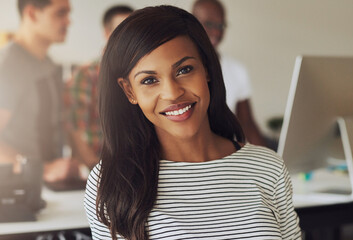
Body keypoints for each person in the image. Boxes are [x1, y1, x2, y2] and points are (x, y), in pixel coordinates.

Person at [84, 5, 301, 240]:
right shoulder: (113, 182)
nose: (172, 93)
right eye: (149, 80)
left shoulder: (268, 168)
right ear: (129, 91)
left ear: (206, 68)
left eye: (184, 70)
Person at [0, 0, 77, 183]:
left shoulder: (49, 64)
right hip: (17, 188)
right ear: (32, 14)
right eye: (60, 13)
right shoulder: (8, 66)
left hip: (48, 187)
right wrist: (44, 169)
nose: (69, 21)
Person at [65, 5, 133, 170]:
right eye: (120, 30)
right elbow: (76, 130)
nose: (128, 37)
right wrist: (98, 172)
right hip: (97, 171)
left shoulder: (139, 73)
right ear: (107, 33)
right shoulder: (86, 74)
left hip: (133, 169)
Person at [192, 0, 267, 147]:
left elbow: (247, 124)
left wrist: (273, 161)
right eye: (209, 24)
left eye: (221, 26)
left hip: (226, 150)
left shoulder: (238, 70)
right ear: (192, 22)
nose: (217, 32)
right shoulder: (181, 68)